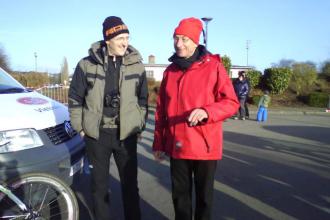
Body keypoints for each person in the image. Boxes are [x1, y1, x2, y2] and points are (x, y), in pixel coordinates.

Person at [152, 17, 239, 220]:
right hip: (178, 147)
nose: (178, 44)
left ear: (196, 41)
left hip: (204, 147)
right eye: (176, 38)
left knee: (204, 200)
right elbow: (161, 112)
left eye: (184, 39)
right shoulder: (170, 72)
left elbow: (231, 103)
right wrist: (159, 143)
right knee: (180, 199)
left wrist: (208, 112)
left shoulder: (214, 67)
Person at [68, 16, 148, 220]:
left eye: (127, 37)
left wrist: (139, 126)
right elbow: (75, 98)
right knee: (99, 187)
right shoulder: (86, 65)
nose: (125, 42)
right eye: (120, 37)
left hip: (126, 135)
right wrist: (80, 127)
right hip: (97, 136)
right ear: (108, 39)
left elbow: (143, 99)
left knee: (130, 186)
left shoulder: (136, 65)